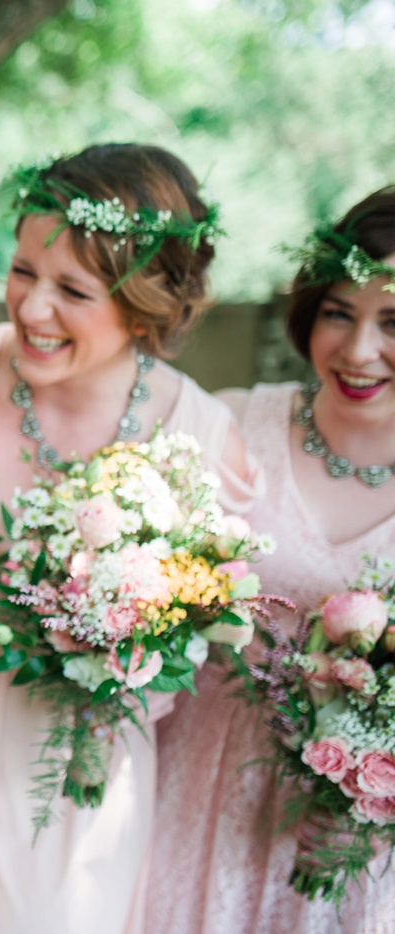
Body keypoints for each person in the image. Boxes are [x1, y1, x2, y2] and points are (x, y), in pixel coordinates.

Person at [0, 143, 260, 934]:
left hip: (82, 782)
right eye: (22, 272)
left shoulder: (201, 437)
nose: (31, 309)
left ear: (144, 304)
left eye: (72, 290)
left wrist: (118, 635)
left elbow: (202, 638)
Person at [148, 188, 395, 933]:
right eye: (337, 313)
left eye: (393, 322)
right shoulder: (227, 426)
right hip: (200, 789)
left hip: (350, 843)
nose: (357, 352)